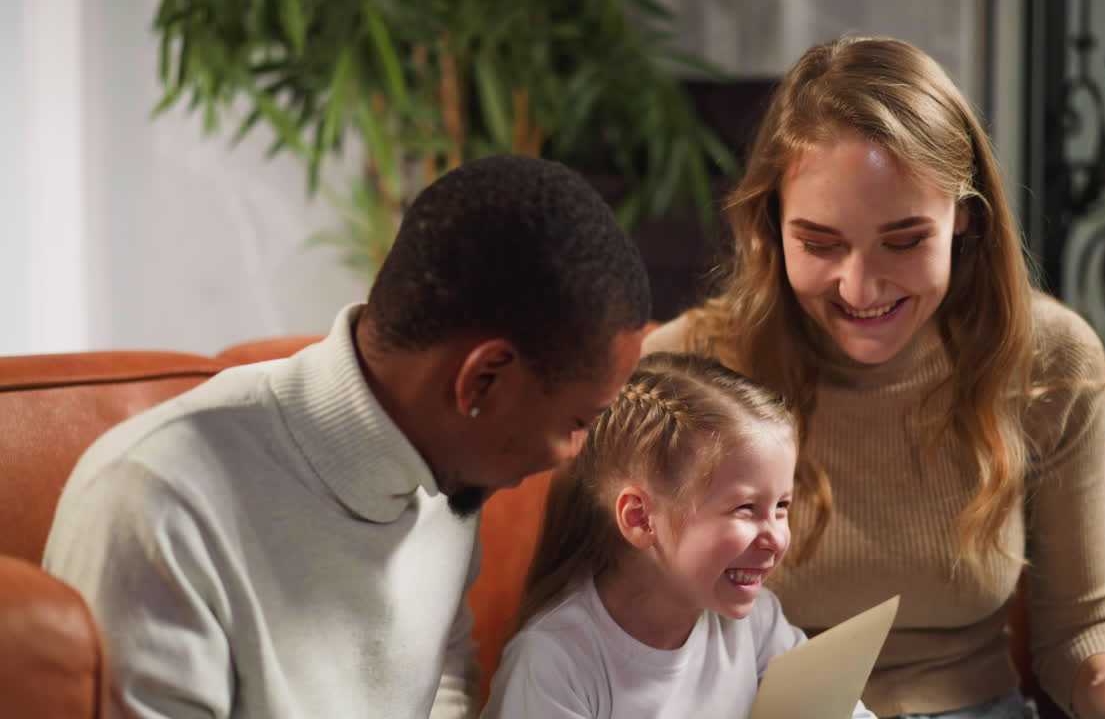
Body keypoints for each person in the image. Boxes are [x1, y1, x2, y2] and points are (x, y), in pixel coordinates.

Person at [642, 35, 1105, 719]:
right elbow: (628, 626)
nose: (860, 287)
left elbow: (1078, 626)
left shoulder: (1050, 360)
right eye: (820, 243)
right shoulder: (688, 372)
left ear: (964, 218)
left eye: (905, 240)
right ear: (771, 223)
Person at [42, 154, 651, 719]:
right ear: (481, 381)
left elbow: (443, 675)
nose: (569, 455)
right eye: (576, 423)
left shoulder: (450, 474)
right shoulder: (154, 504)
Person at [481, 351, 876, 719]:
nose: (776, 537)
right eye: (745, 508)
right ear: (640, 519)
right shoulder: (554, 662)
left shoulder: (758, 622)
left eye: (782, 506)